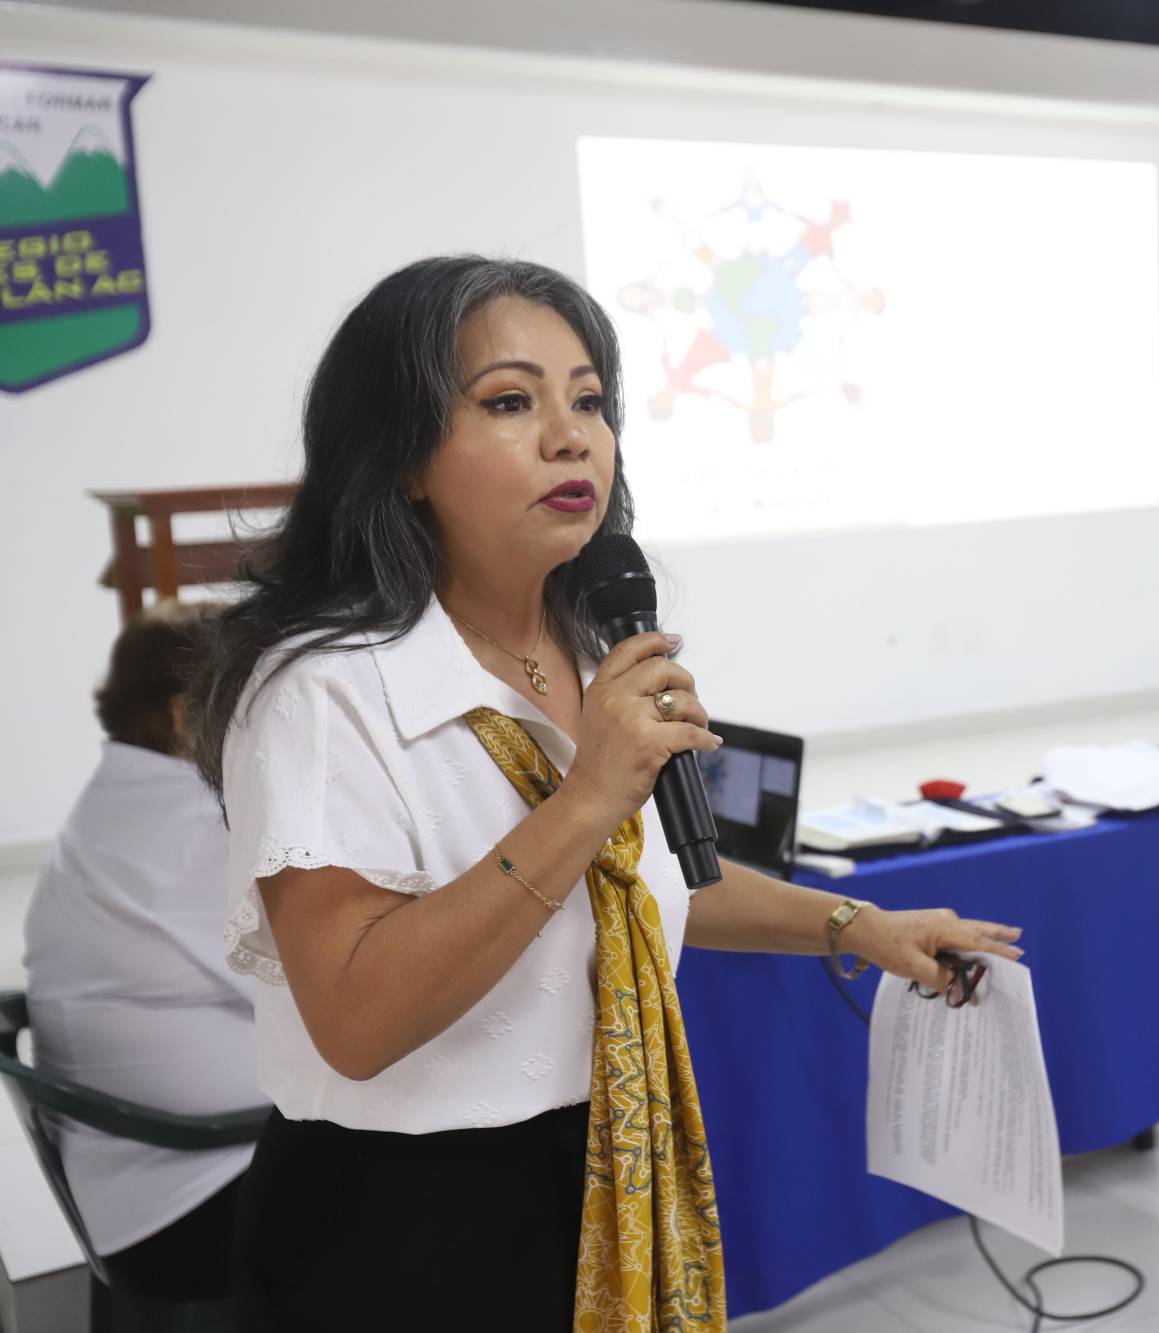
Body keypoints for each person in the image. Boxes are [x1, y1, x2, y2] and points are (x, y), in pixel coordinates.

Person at [188, 254, 1023, 1331]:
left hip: (597, 1165)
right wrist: (586, 798)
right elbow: (356, 1017)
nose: (569, 436)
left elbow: (639, 884)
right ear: (401, 456)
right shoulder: (323, 690)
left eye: (588, 400)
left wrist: (857, 924)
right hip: (405, 1221)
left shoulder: (588, 644)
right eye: (509, 402)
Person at [23, 600, 260, 1303]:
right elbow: (336, 996)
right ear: (185, 717)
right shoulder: (188, 831)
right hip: (197, 1202)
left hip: (152, 1183)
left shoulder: (122, 808)